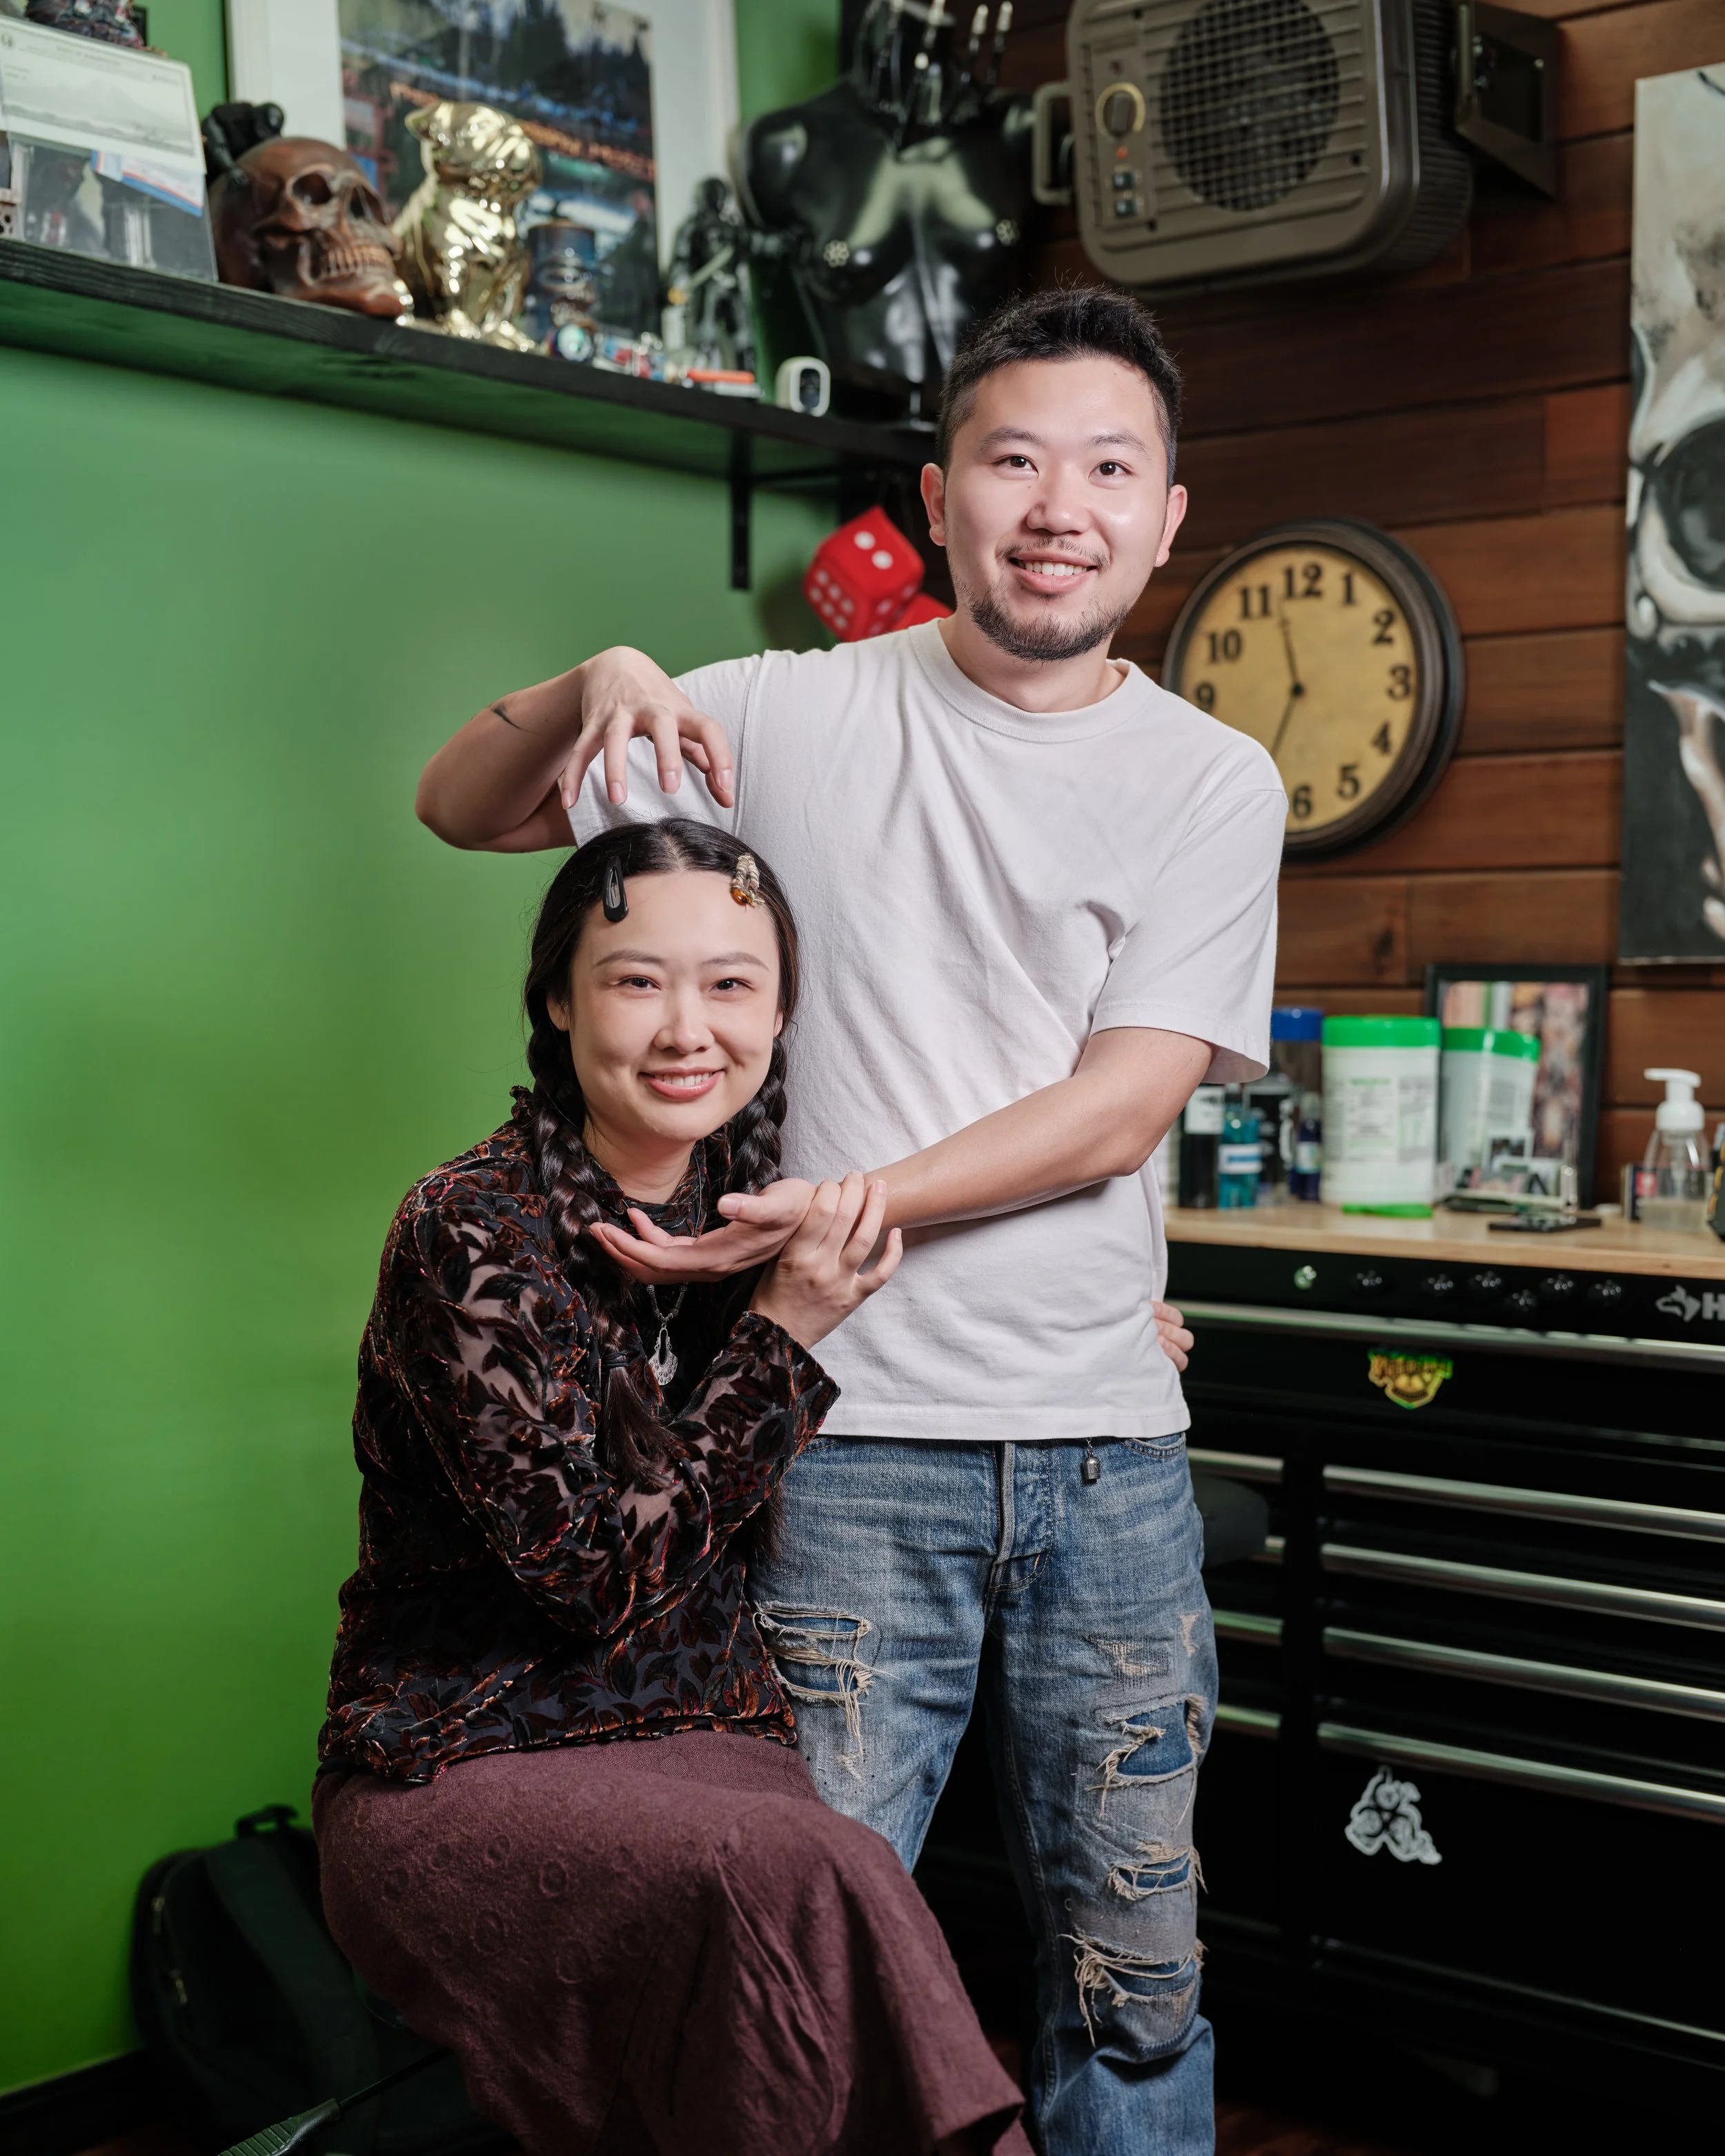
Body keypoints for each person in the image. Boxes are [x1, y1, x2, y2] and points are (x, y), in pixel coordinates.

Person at [415, 285, 1285, 2156]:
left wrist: (850, 1202)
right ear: (942, 491)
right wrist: (597, 679)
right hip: (836, 1453)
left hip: (1105, 1465)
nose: (1060, 505)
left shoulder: (1210, 778)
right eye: (1015, 460)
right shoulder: (777, 716)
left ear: (1163, 513)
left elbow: (1125, 1104)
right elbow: (463, 809)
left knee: (1132, 1983)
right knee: (789, 1970)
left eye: (1107, 469)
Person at [314, 819, 1031, 2156]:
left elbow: (984, 1260)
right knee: (820, 1872)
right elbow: (587, 1574)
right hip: (464, 1752)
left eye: (730, 982)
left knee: (802, 1932)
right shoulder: (471, 1226)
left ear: (779, 1006)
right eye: (636, 978)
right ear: (556, 997)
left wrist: (1123, 1318)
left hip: (709, 1739)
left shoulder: (769, 1210)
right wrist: (786, 1334)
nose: (685, 1026)